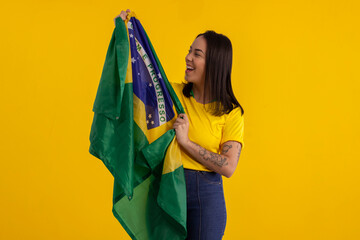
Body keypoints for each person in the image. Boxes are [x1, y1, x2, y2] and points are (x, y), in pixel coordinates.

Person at [116, 10, 245, 240]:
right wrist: (127, 34)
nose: (188, 57)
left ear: (214, 63)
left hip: (205, 198)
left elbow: (228, 166)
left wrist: (185, 142)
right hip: (167, 188)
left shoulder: (231, 113)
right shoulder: (172, 96)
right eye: (189, 51)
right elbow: (136, 79)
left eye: (197, 54)